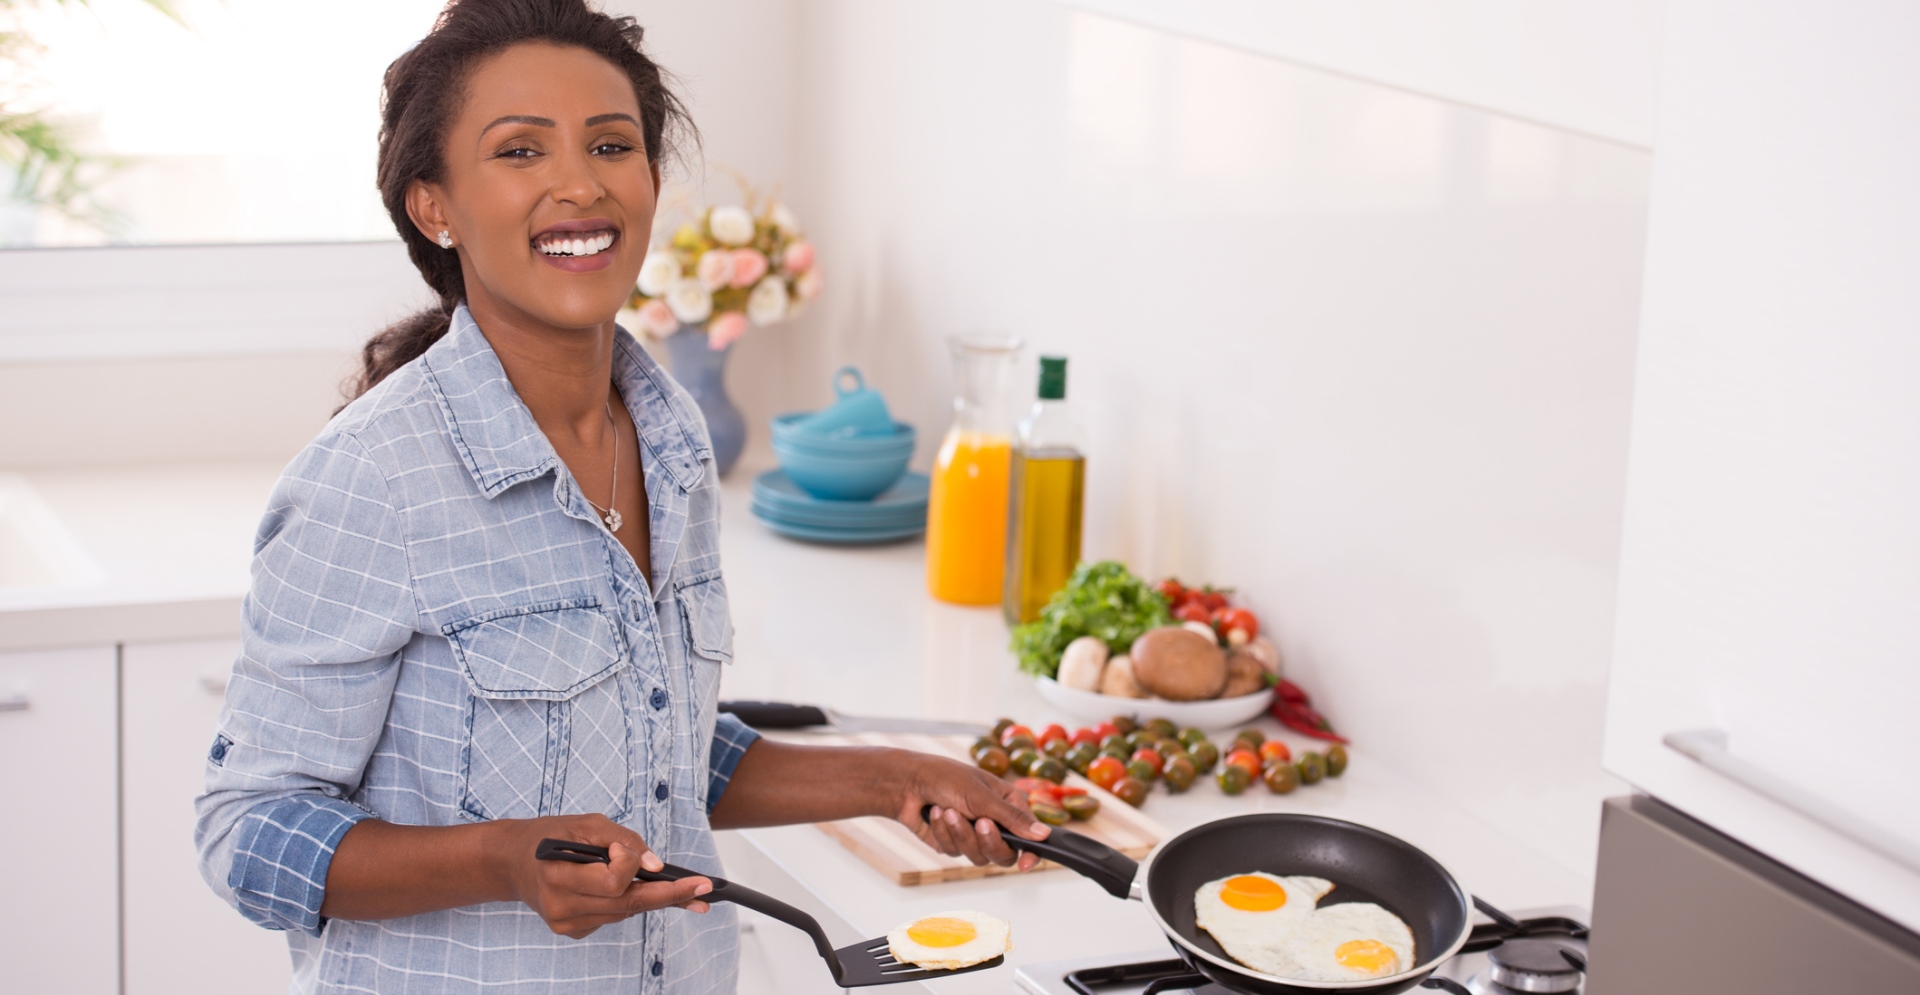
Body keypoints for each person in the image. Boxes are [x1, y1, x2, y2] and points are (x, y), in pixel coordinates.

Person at [194, 1, 1046, 991]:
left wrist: (897, 777)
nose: (579, 183)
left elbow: (662, 747)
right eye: (519, 151)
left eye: (612, 144)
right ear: (436, 204)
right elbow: (246, 834)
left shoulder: (672, 438)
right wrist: (504, 859)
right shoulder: (374, 480)